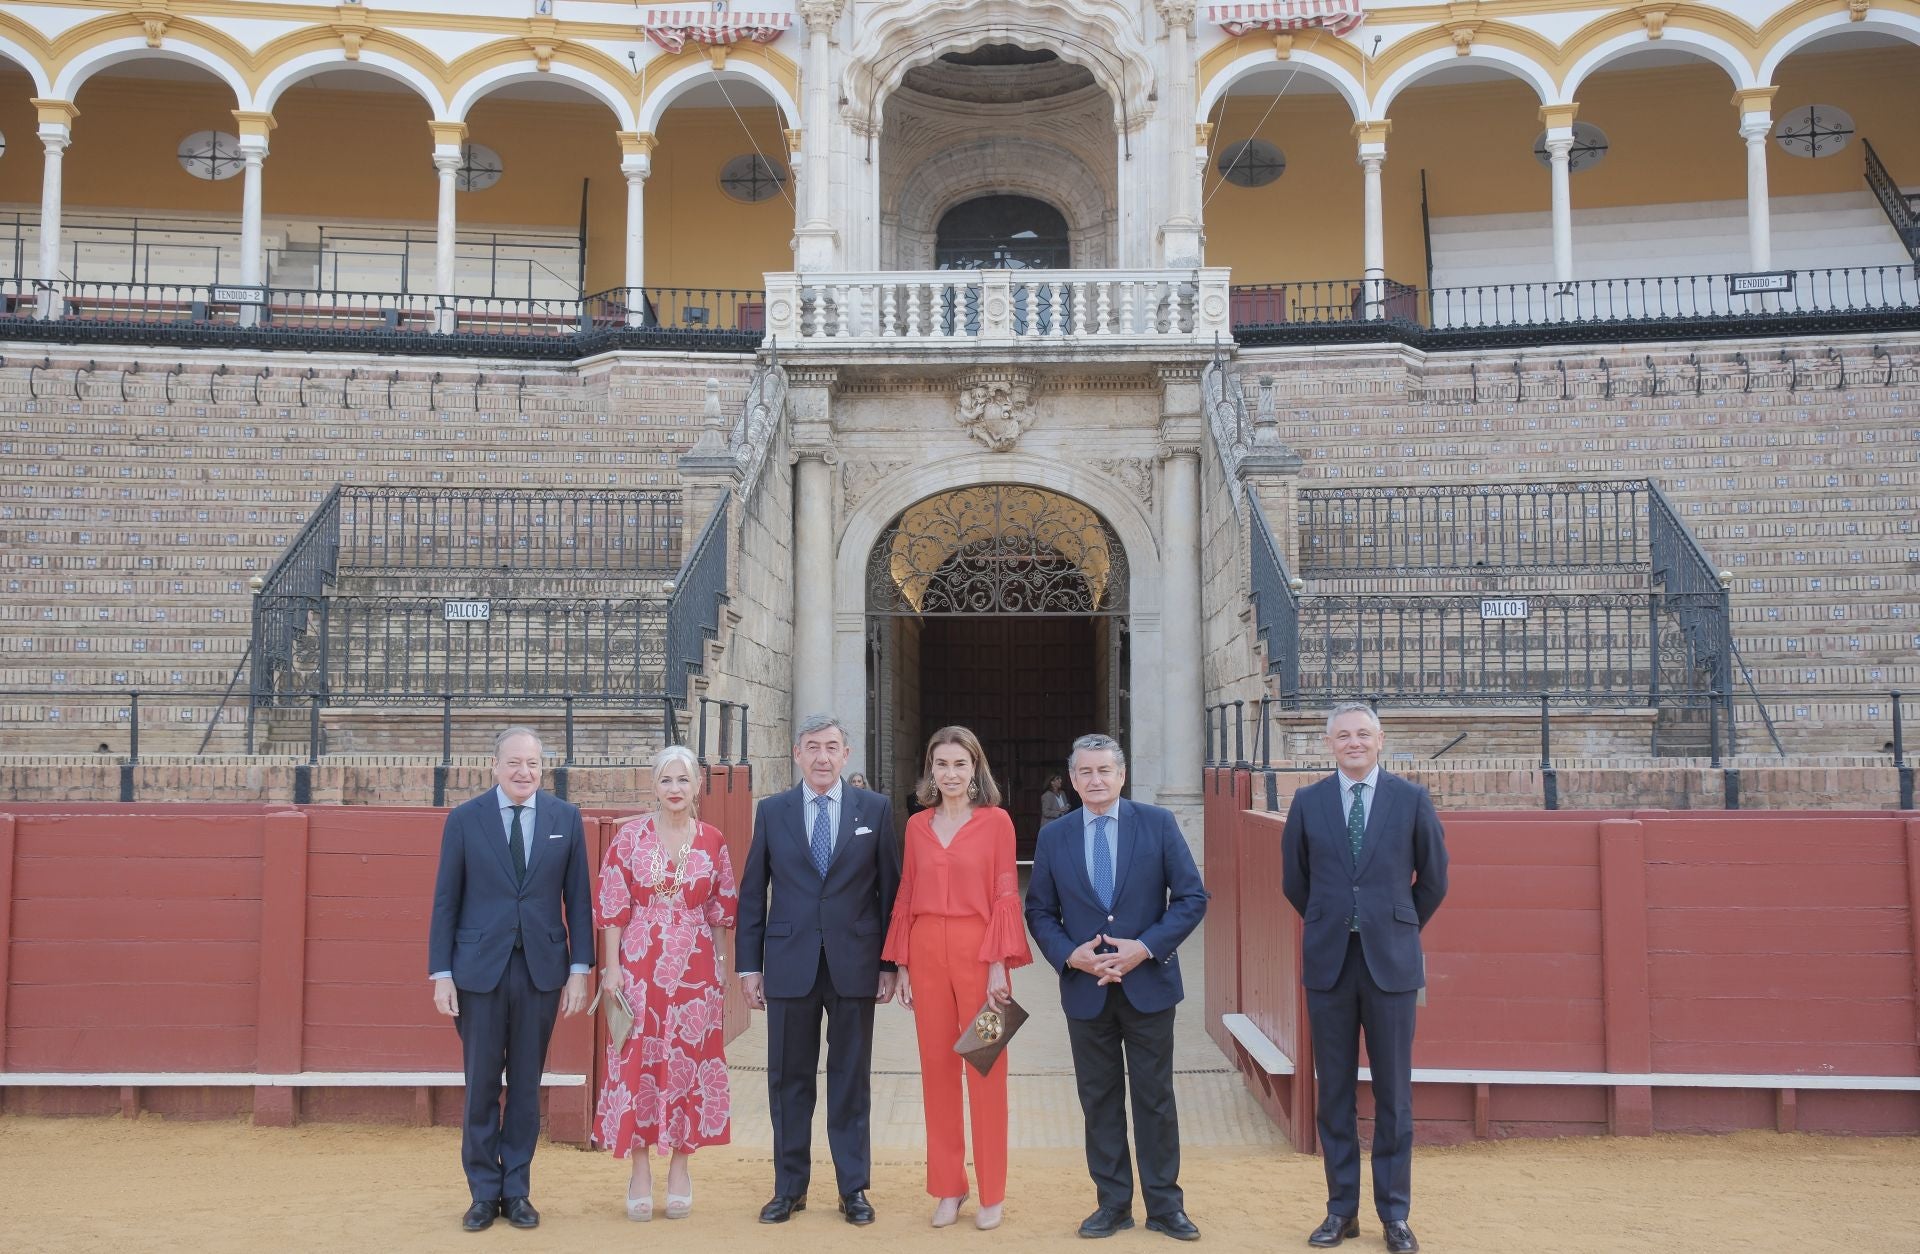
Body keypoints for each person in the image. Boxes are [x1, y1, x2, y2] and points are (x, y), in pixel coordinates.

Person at [1025, 734, 1208, 1242]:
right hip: (1086, 991)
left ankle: (1166, 1206)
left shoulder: (1158, 824)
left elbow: (1191, 897)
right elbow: (1039, 910)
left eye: (1105, 771)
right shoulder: (1054, 836)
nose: (1096, 780)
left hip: (1148, 984)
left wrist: (1143, 948)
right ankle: (1112, 1204)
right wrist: (1069, 955)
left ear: (1122, 775)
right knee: (1098, 1099)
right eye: (1085, 772)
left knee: (1155, 1099)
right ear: (1072, 779)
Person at [1281, 703, 1448, 1254]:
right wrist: (1337, 921)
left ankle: (1394, 1216)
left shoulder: (1411, 799)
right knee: (1333, 1092)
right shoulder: (1307, 802)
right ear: (1329, 744)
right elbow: (1295, 883)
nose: (1354, 742)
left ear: (1380, 741)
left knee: (1394, 1093)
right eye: (1343, 735)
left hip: (1391, 962)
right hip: (1329, 961)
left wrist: (1396, 924)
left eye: (1363, 734)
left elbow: (1434, 880)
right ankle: (1340, 1211)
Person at [736, 714, 901, 1225]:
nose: (822, 757)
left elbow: (891, 891)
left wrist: (891, 964)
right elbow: (751, 893)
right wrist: (748, 967)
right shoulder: (773, 811)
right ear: (796, 754)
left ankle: (853, 1188)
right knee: (788, 1080)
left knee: (851, 1080)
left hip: (855, 964)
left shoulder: (875, 808)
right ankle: (789, 1188)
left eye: (832, 746)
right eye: (813, 747)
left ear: (846, 754)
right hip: (788, 965)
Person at [428, 726, 592, 1232]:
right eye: (515, 763)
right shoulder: (465, 819)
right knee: (480, 1085)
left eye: (534, 764)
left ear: (543, 767)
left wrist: (580, 969)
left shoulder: (566, 818)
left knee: (525, 1085)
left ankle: (517, 1189)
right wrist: (442, 973)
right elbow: (446, 901)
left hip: (541, 970)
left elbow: (579, 901)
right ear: (495, 766)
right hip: (479, 971)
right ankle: (483, 1192)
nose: (525, 772)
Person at [882, 726, 1032, 1231]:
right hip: (925, 956)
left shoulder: (997, 823)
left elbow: (1005, 893)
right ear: (931, 770)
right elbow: (906, 892)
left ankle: (992, 1192)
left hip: (979, 955)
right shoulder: (918, 826)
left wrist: (999, 966)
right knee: (936, 1071)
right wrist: (901, 965)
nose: (950, 774)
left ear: (975, 769)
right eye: (941, 765)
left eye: (959, 764)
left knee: (985, 1070)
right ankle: (948, 1186)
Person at [595, 744, 738, 1221]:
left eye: (683, 780)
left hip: (696, 966)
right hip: (637, 962)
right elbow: (612, 906)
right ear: (653, 786)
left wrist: (722, 964)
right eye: (666, 780)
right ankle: (639, 1170)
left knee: (687, 1063)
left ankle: (680, 1165)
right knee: (637, 1060)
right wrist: (611, 968)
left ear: (698, 786)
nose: (675, 789)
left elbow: (722, 909)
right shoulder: (630, 837)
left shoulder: (714, 840)